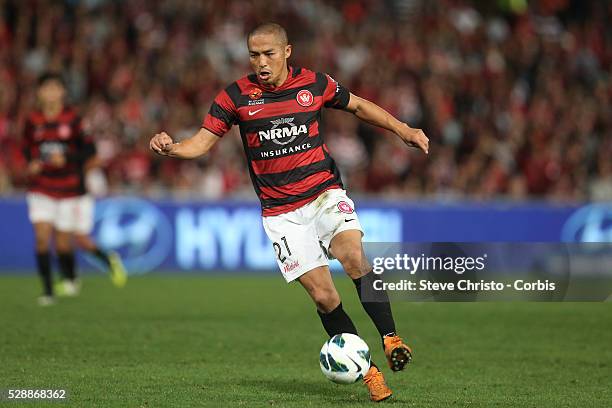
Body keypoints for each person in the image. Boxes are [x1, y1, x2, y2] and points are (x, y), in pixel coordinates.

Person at [149, 23, 429, 402]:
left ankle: (390, 337)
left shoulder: (313, 84)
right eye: (253, 55)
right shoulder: (235, 96)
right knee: (324, 298)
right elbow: (200, 143)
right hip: (281, 213)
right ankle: (369, 373)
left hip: (323, 192)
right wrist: (171, 147)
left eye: (268, 54)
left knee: (352, 255)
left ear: (286, 52)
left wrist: (403, 129)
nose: (260, 62)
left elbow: (360, 105)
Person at [23, 72, 127, 306]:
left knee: (64, 242)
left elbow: (89, 151)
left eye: (54, 88)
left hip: (69, 189)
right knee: (41, 238)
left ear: (62, 92)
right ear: (39, 93)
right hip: (41, 187)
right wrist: (31, 162)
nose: (50, 93)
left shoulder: (74, 120)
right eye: (46, 89)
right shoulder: (32, 120)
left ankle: (77, 276)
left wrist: (67, 157)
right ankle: (48, 291)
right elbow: (27, 147)